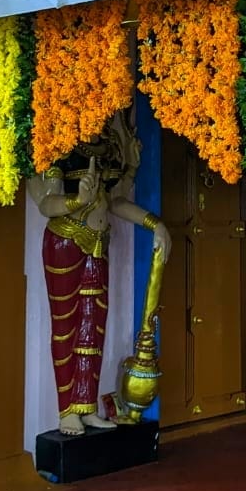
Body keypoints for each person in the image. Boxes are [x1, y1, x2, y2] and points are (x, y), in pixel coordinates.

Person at [29, 112, 171, 435]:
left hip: (98, 245)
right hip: (65, 240)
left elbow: (114, 201)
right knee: (66, 327)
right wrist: (77, 199)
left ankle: (87, 405)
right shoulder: (62, 139)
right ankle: (67, 410)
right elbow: (47, 204)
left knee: (93, 329)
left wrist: (154, 224)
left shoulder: (106, 144)